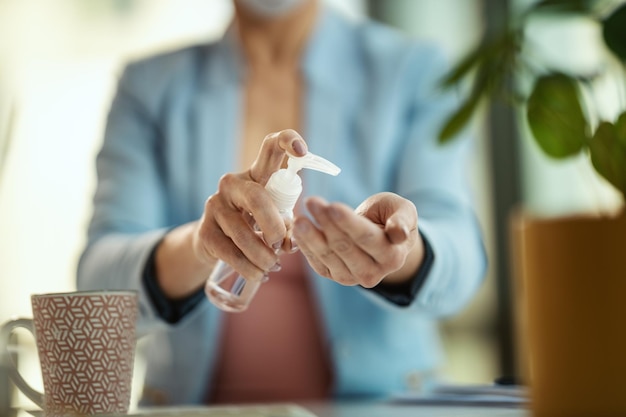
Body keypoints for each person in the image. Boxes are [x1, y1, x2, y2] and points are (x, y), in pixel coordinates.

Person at [77, 0, 487, 407]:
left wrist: (401, 248)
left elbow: (462, 257)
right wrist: (200, 245)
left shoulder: (412, 69)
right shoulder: (149, 86)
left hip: (379, 405)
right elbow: (96, 282)